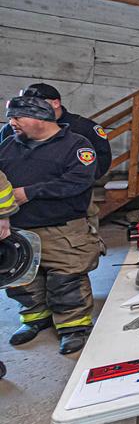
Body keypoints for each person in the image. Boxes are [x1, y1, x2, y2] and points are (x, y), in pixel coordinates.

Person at [0, 97, 100, 354]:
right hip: (18, 228)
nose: (11, 122)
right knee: (21, 279)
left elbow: (77, 181)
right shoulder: (9, 145)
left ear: (39, 118)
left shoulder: (77, 146)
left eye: (17, 117)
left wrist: (30, 192)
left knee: (66, 279)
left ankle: (73, 328)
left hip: (61, 228)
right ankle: (34, 319)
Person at [3, 83, 112, 233]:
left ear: (54, 103)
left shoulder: (83, 129)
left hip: (62, 218)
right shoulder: (10, 134)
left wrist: (83, 186)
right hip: (17, 220)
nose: (12, 122)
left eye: (19, 116)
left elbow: (98, 163)